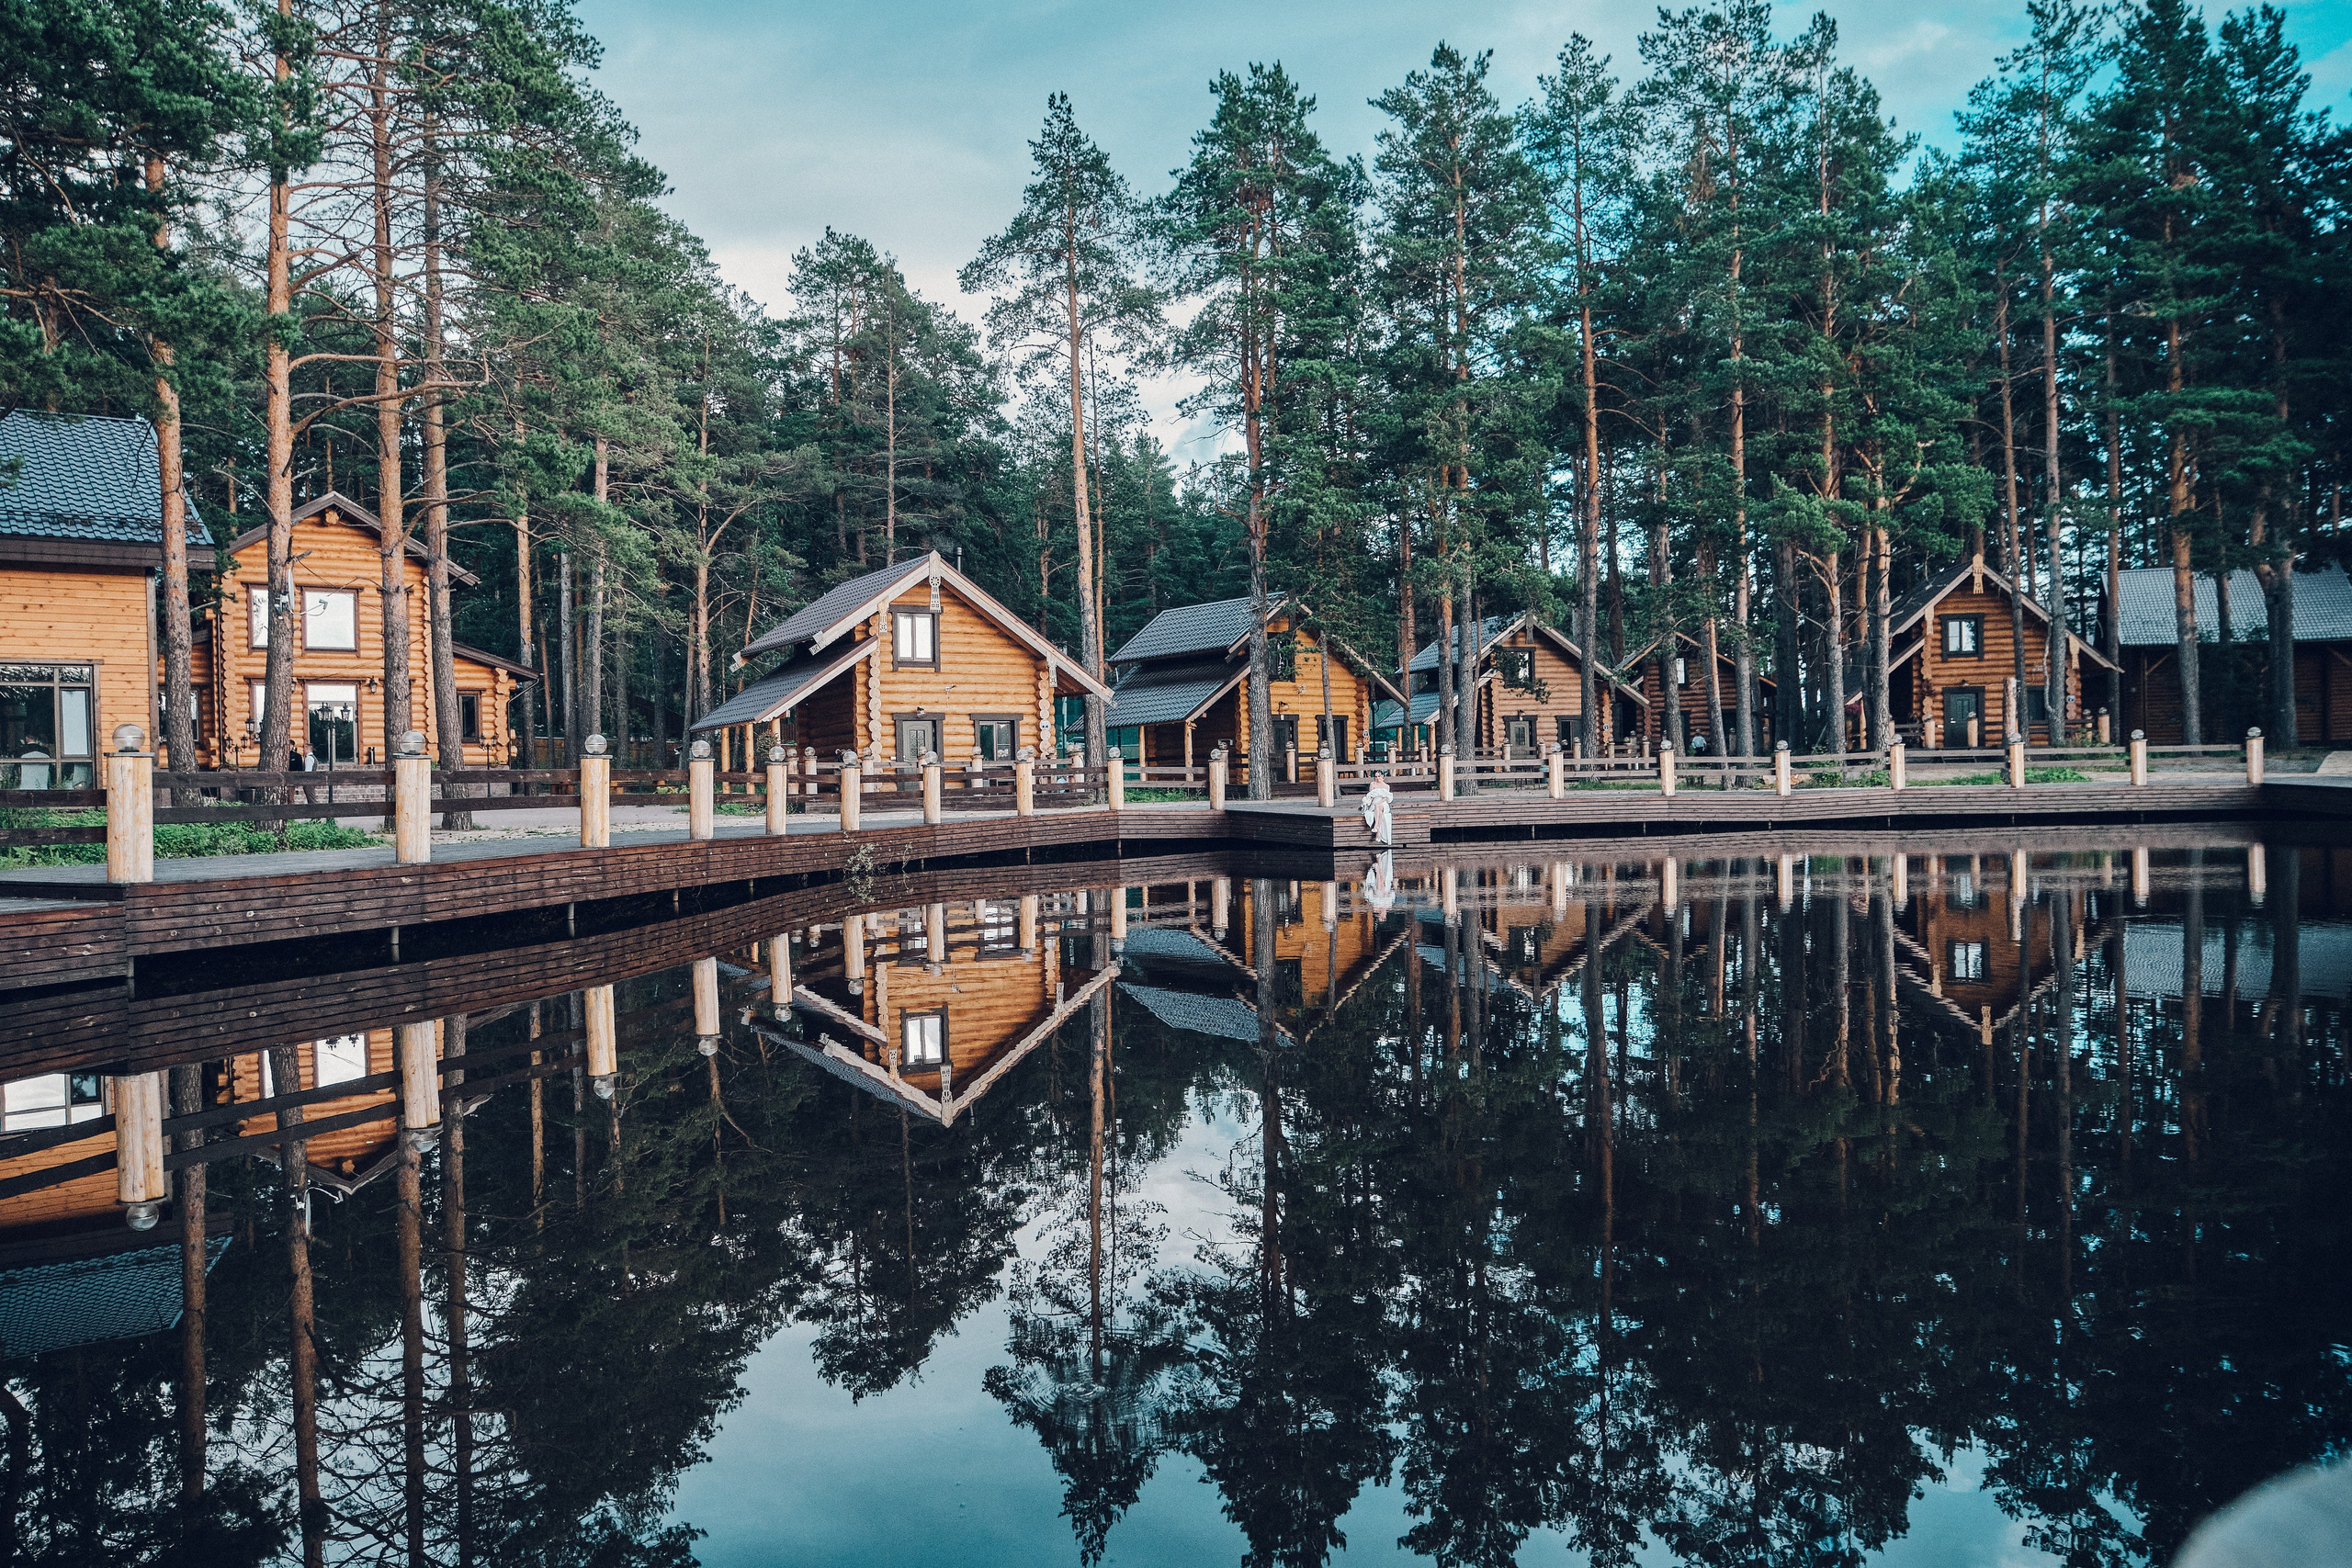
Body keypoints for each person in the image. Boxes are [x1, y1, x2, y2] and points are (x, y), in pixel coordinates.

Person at [1361, 772, 1394, 847]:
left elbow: (1386, 797)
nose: (1377, 778)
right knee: (1378, 810)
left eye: (1379, 776)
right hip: (1374, 804)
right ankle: (1378, 833)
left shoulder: (1386, 786)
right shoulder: (1373, 784)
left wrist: (1379, 803)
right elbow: (1371, 795)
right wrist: (1366, 801)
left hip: (1383, 803)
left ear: (1382, 776)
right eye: (1376, 776)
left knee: (1378, 806)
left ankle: (1376, 826)